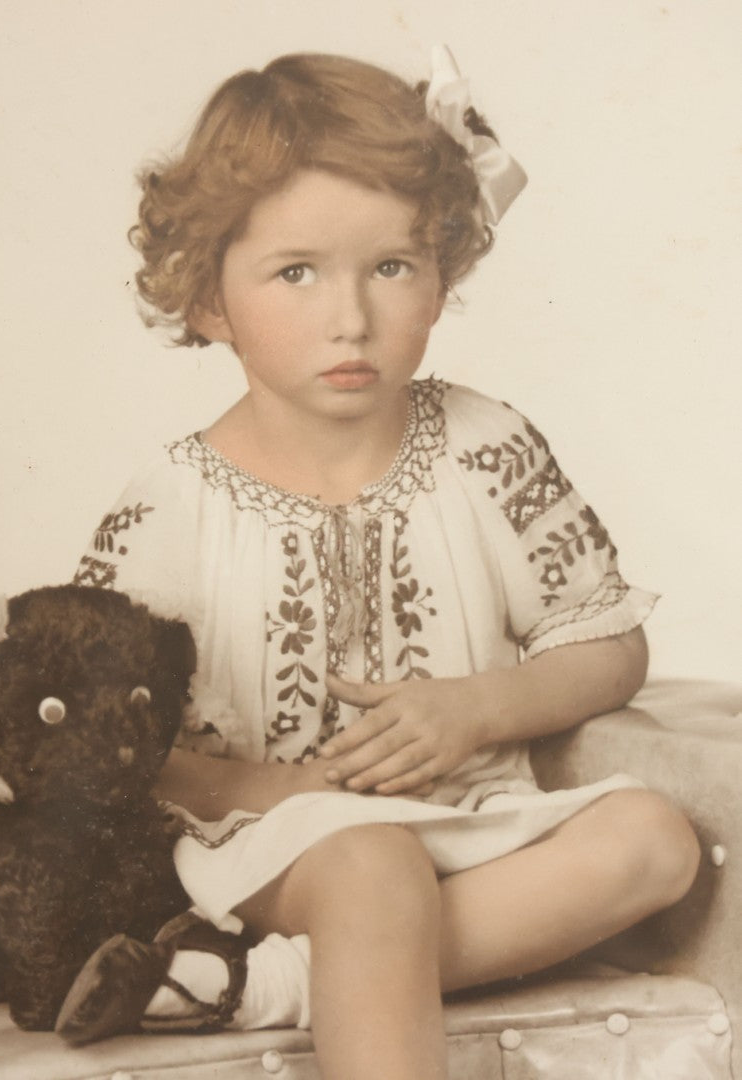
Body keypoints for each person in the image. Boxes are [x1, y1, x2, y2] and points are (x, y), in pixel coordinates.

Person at [56, 48, 700, 1080]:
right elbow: (101, 745)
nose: (349, 316)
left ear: (443, 274)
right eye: (295, 272)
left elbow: (606, 645)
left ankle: (264, 984)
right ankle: (307, 954)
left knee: (654, 842)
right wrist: (276, 787)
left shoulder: (485, 447)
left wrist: (475, 711)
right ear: (209, 300)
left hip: (469, 815)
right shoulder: (170, 506)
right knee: (371, 867)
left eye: (391, 266)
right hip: (263, 842)